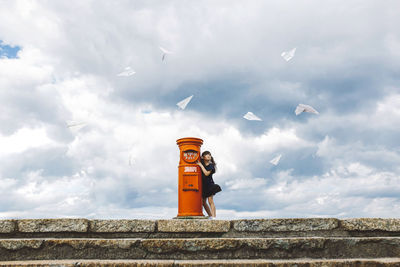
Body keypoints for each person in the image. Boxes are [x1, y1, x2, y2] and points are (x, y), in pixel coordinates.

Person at [197, 151, 221, 219]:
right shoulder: (201, 162)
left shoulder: (211, 165)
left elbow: (206, 173)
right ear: (203, 157)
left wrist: (201, 165)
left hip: (210, 185)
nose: (209, 157)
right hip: (203, 186)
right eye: (207, 156)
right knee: (203, 202)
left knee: (210, 201)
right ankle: (210, 216)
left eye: (209, 156)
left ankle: (214, 217)